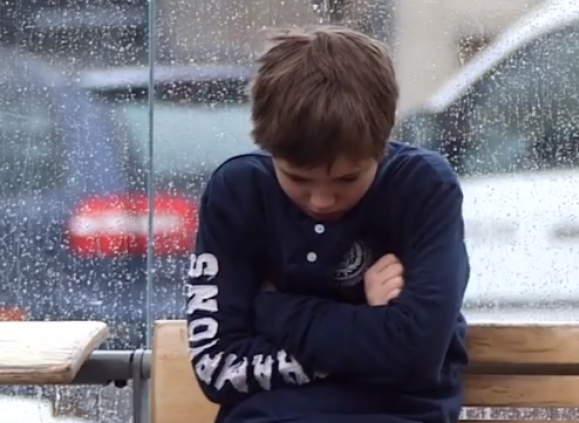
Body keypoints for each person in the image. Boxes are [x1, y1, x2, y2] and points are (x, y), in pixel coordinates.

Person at [185, 25, 470, 423]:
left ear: (381, 147)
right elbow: (218, 368)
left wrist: (270, 309)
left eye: (348, 179)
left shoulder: (421, 186)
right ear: (268, 150)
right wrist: (371, 329)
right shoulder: (238, 192)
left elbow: (416, 355)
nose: (321, 200)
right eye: (297, 178)